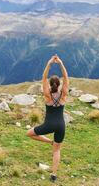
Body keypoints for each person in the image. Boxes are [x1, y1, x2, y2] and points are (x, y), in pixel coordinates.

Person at [27, 54, 69, 182]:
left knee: (29, 133)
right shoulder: (64, 94)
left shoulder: (47, 94)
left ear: (50, 84)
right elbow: (66, 77)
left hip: (49, 125)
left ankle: (49, 142)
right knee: (57, 150)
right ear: (60, 84)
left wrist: (49, 63)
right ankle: (54, 174)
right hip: (61, 126)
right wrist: (60, 63)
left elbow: (44, 77)